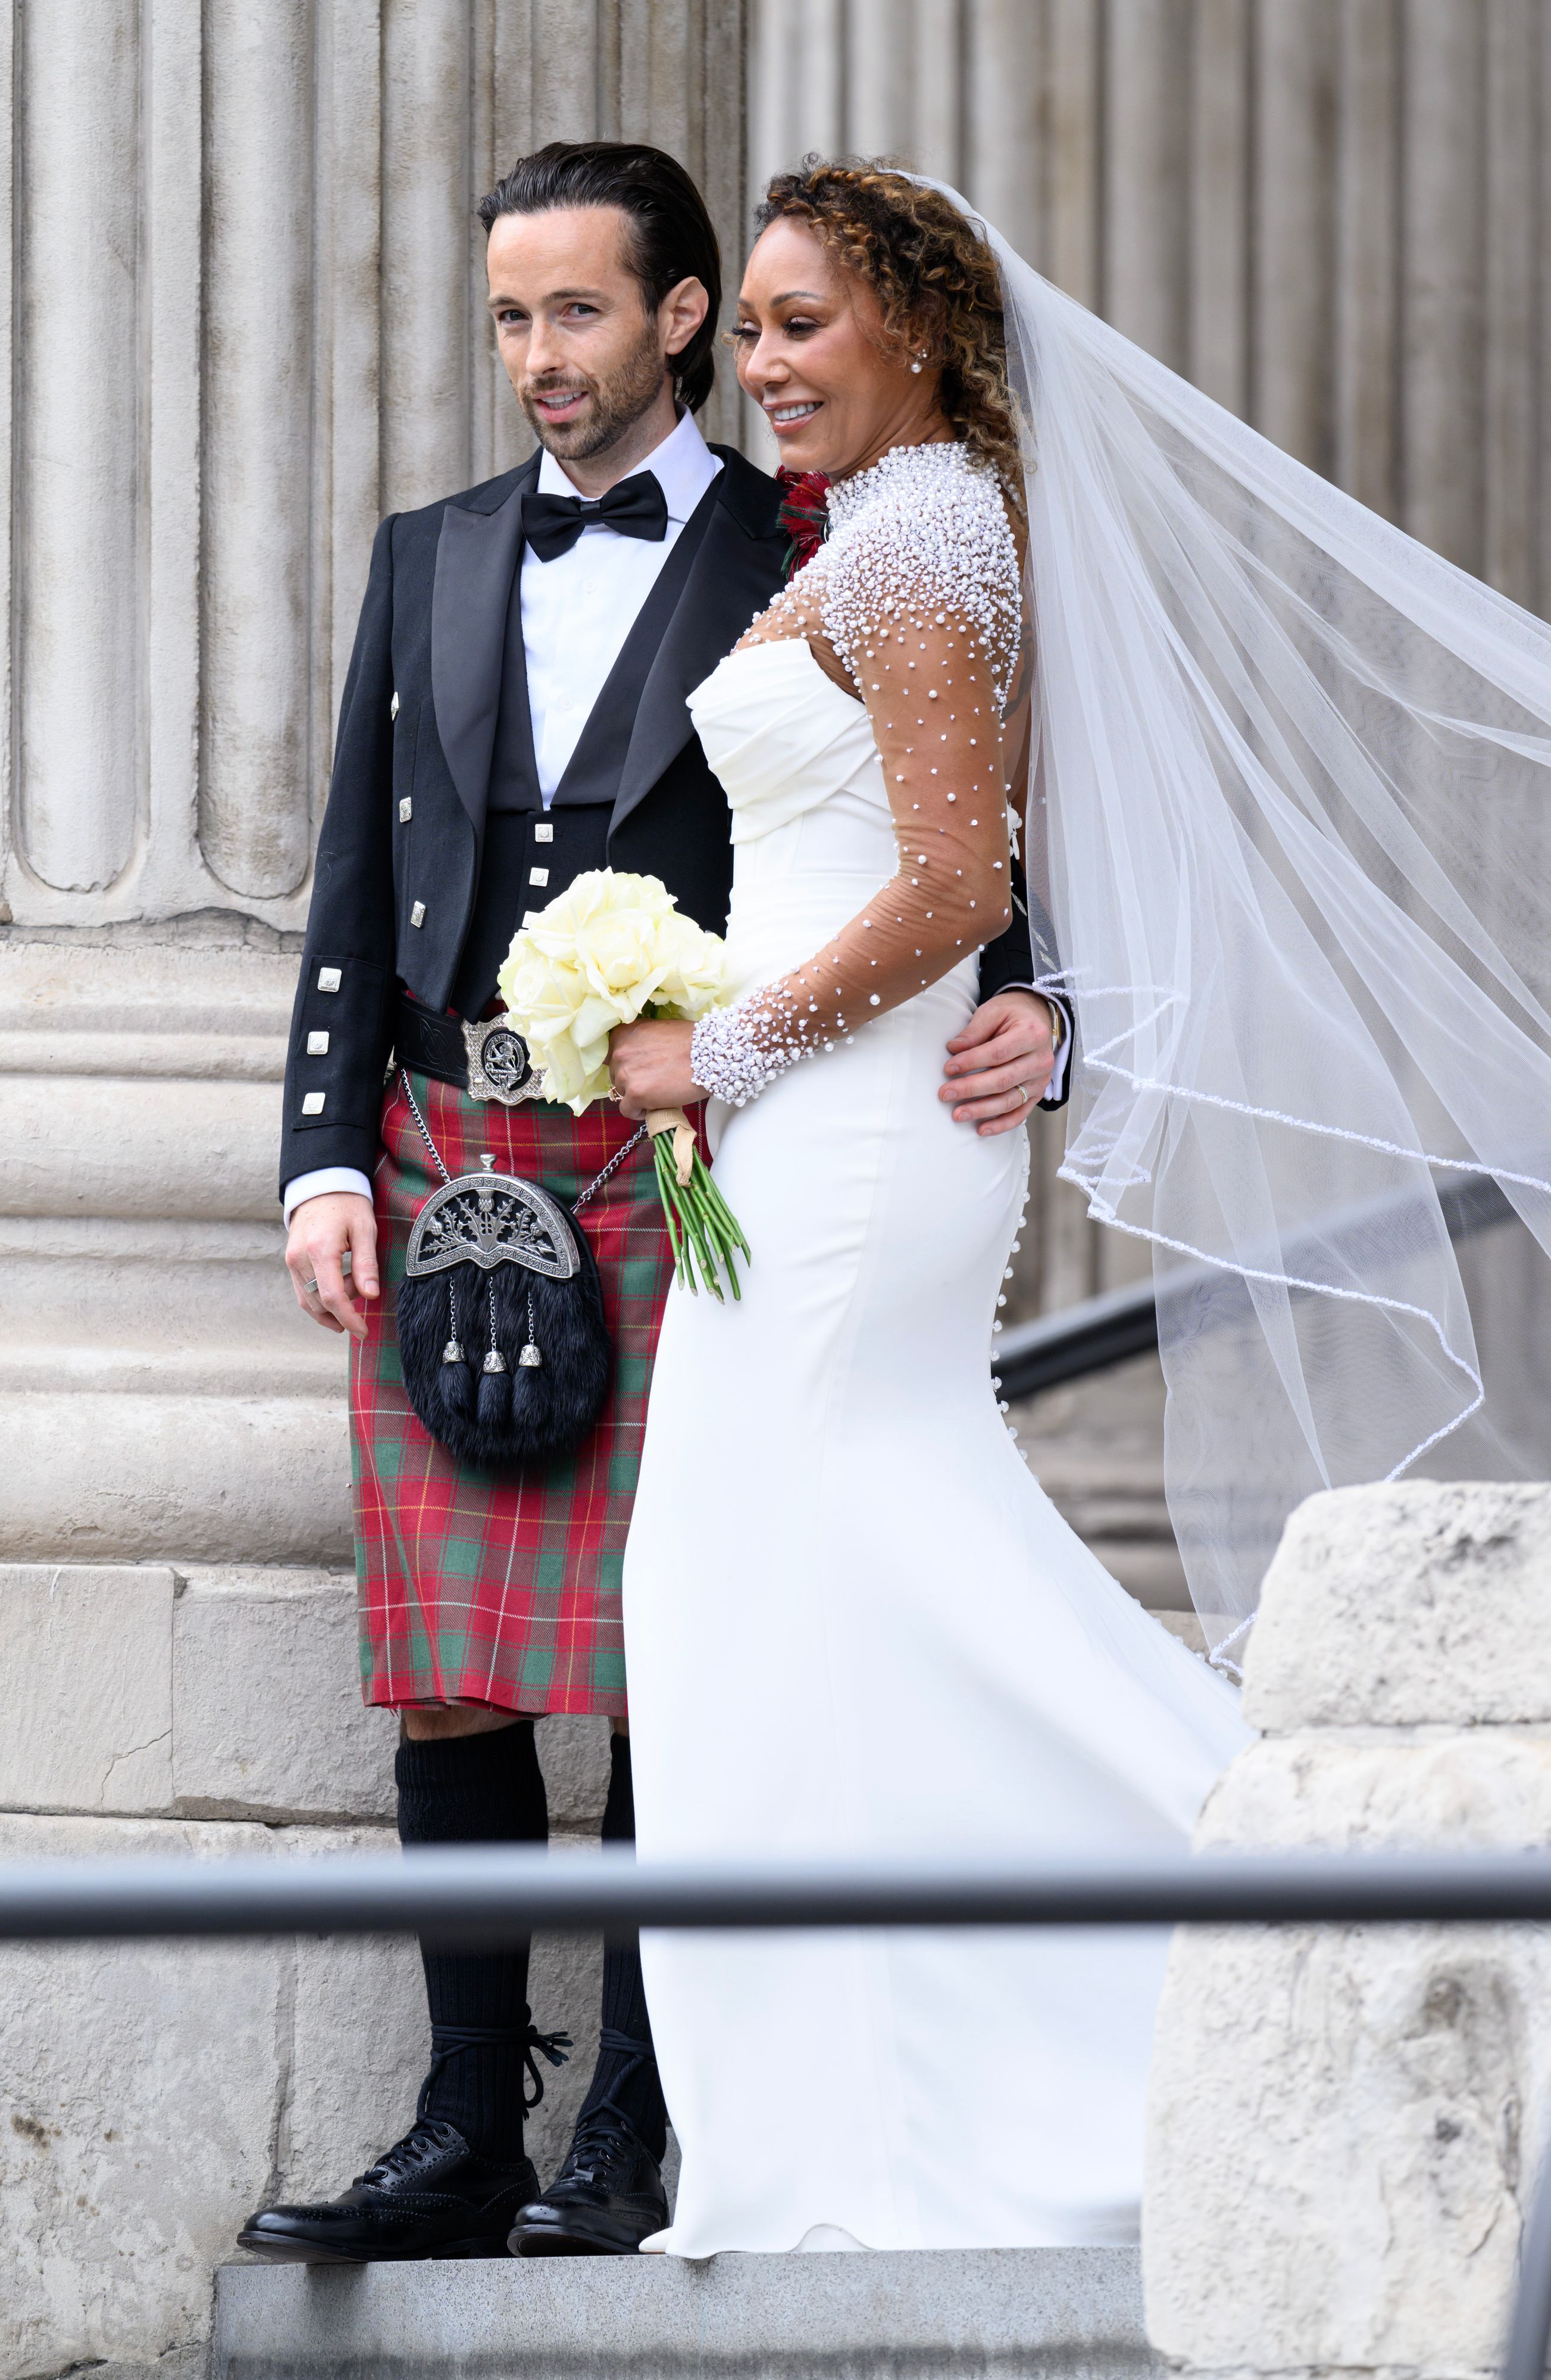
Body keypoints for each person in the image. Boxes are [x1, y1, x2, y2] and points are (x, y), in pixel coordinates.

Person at [608, 154, 1551, 2256]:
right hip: (817, 1119)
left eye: (799, 322)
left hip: (847, 1136)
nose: (761, 363)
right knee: (802, 1590)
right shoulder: (889, 524)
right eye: (746, 326)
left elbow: (947, 884)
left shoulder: (924, 531)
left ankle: (1289, 1930)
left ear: (920, 331)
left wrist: (719, 1050)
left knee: (818, 1571)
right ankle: (864, 2130)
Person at [239, 143, 1069, 2266]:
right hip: (446, 1145)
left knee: (661, 1642)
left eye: (577, 312)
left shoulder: (818, 537)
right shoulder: (426, 551)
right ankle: (462, 2126)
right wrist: (324, 1147)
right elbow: (354, 863)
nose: (537, 357)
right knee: (448, 1666)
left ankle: (632, 2127)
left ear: (678, 316)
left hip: (678, 1147)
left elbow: (941, 823)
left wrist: (1043, 996)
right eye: (511, 317)